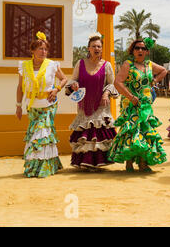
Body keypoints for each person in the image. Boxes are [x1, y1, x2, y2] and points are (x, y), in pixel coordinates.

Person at [108, 38, 167, 172]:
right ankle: (129, 162)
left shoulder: (149, 64)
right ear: (133, 51)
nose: (140, 50)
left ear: (146, 52)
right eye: (137, 48)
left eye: (143, 48)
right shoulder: (128, 64)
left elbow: (164, 71)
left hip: (145, 104)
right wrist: (131, 97)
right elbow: (118, 82)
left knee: (145, 131)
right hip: (130, 103)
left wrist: (155, 81)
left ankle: (143, 162)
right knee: (131, 130)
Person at [16, 31, 67, 177]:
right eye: (40, 49)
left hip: (48, 105)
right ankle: (36, 166)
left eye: (45, 49)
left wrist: (56, 89)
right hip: (32, 106)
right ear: (32, 50)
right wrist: (18, 105)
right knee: (35, 135)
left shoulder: (52, 65)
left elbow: (64, 79)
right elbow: (20, 87)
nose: (43, 52)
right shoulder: (24, 66)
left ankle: (44, 168)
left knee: (41, 133)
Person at [66, 33, 118, 171]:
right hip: (84, 106)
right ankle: (85, 162)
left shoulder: (107, 65)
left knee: (98, 134)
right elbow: (73, 80)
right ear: (88, 48)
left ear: (102, 49)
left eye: (99, 46)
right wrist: (73, 85)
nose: (97, 48)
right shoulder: (80, 63)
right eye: (94, 46)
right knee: (86, 134)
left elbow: (112, 84)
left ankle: (99, 162)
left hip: (101, 106)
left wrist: (106, 93)